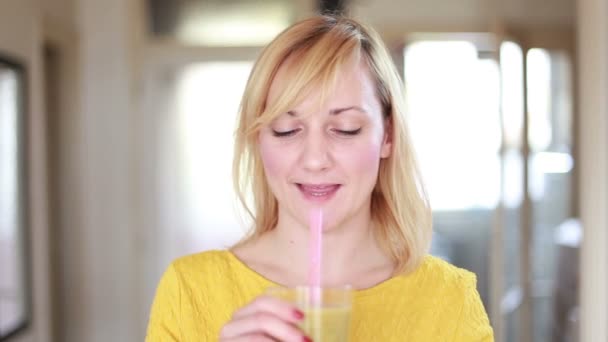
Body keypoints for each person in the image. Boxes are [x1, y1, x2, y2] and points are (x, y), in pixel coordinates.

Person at [146, 14, 494, 341]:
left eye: (346, 129)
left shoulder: (449, 299)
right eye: (286, 130)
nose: (314, 160)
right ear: (258, 140)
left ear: (388, 136)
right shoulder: (189, 289)